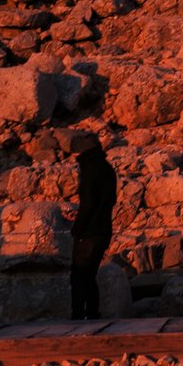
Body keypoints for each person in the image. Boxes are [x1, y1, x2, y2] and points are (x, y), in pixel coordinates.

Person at [70, 134, 118, 320]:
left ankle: (78, 315)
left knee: (79, 276)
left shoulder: (90, 169)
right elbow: (106, 201)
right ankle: (92, 313)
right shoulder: (107, 168)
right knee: (90, 275)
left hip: (89, 232)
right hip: (104, 229)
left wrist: (77, 229)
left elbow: (88, 203)